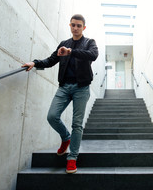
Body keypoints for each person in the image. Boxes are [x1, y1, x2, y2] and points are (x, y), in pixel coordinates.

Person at [22, 14, 98, 174]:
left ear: (84, 27)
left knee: (77, 124)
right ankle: (65, 137)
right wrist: (35, 63)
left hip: (81, 88)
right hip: (64, 87)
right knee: (52, 116)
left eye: (79, 25)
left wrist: (72, 52)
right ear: (69, 26)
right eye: (73, 25)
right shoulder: (64, 44)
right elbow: (50, 60)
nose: (75, 28)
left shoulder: (89, 42)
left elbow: (93, 55)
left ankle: (72, 158)